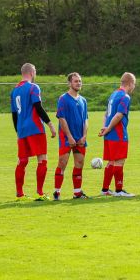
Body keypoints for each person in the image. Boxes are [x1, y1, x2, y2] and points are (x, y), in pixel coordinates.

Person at [10, 63, 57, 201]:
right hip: (35, 128)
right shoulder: (33, 87)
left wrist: (18, 130)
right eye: (35, 71)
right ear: (31, 72)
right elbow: (38, 107)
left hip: (22, 129)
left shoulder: (14, 91)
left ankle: (19, 194)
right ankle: (40, 193)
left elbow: (14, 114)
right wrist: (50, 125)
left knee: (22, 160)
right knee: (42, 160)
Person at [99, 72, 137, 197]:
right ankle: (119, 190)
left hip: (109, 135)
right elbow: (119, 115)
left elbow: (106, 114)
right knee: (119, 161)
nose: (134, 87)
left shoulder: (113, 94)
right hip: (118, 133)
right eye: (134, 84)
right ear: (130, 83)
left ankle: (105, 189)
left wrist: (104, 127)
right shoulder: (125, 97)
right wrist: (109, 128)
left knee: (111, 161)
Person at [53, 72, 89, 200]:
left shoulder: (83, 100)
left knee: (79, 163)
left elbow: (85, 120)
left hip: (80, 138)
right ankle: (56, 192)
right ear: (69, 83)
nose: (78, 83)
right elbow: (61, 118)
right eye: (76, 81)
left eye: (80, 81)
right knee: (62, 163)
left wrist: (84, 135)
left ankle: (77, 192)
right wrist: (69, 136)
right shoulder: (63, 99)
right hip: (67, 138)